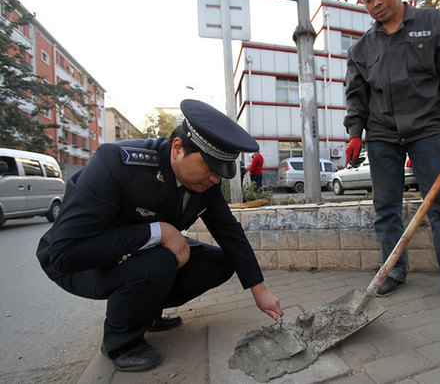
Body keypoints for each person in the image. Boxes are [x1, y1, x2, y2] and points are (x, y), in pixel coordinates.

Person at [36, 99, 284, 372]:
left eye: (221, 173)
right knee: (159, 262)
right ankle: (121, 342)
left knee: (219, 262)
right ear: (178, 148)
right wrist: (158, 231)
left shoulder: (205, 183)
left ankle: (146, 313)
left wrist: (259, 290)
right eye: (210, 168)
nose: (215, 179)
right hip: (79, 260)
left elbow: (229, 233)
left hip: (136, 254)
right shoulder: (117, 163)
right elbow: (65, 252)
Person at [344, 0, 440, 312]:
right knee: (386, 207)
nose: (375, 3)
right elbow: (357, 96)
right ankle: (393, 271)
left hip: (428, 128)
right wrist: (355, 134)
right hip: (382, 135)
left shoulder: (436, 23)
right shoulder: (360, 49)